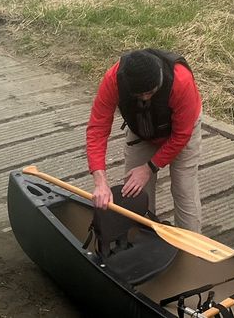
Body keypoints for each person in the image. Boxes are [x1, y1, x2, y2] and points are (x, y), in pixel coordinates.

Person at [86, 48, 204, 232]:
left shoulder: (181, 80)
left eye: (150, 92)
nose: (146, 98)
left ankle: (192, 247)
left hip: (182, 131)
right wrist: (100, 182)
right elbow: (97, 128)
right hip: (142, 129)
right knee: (134, 191)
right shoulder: (114, 79)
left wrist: (149, 167)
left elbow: (181, 135)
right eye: (139, 95)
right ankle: (142, 235)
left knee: (183, 189)